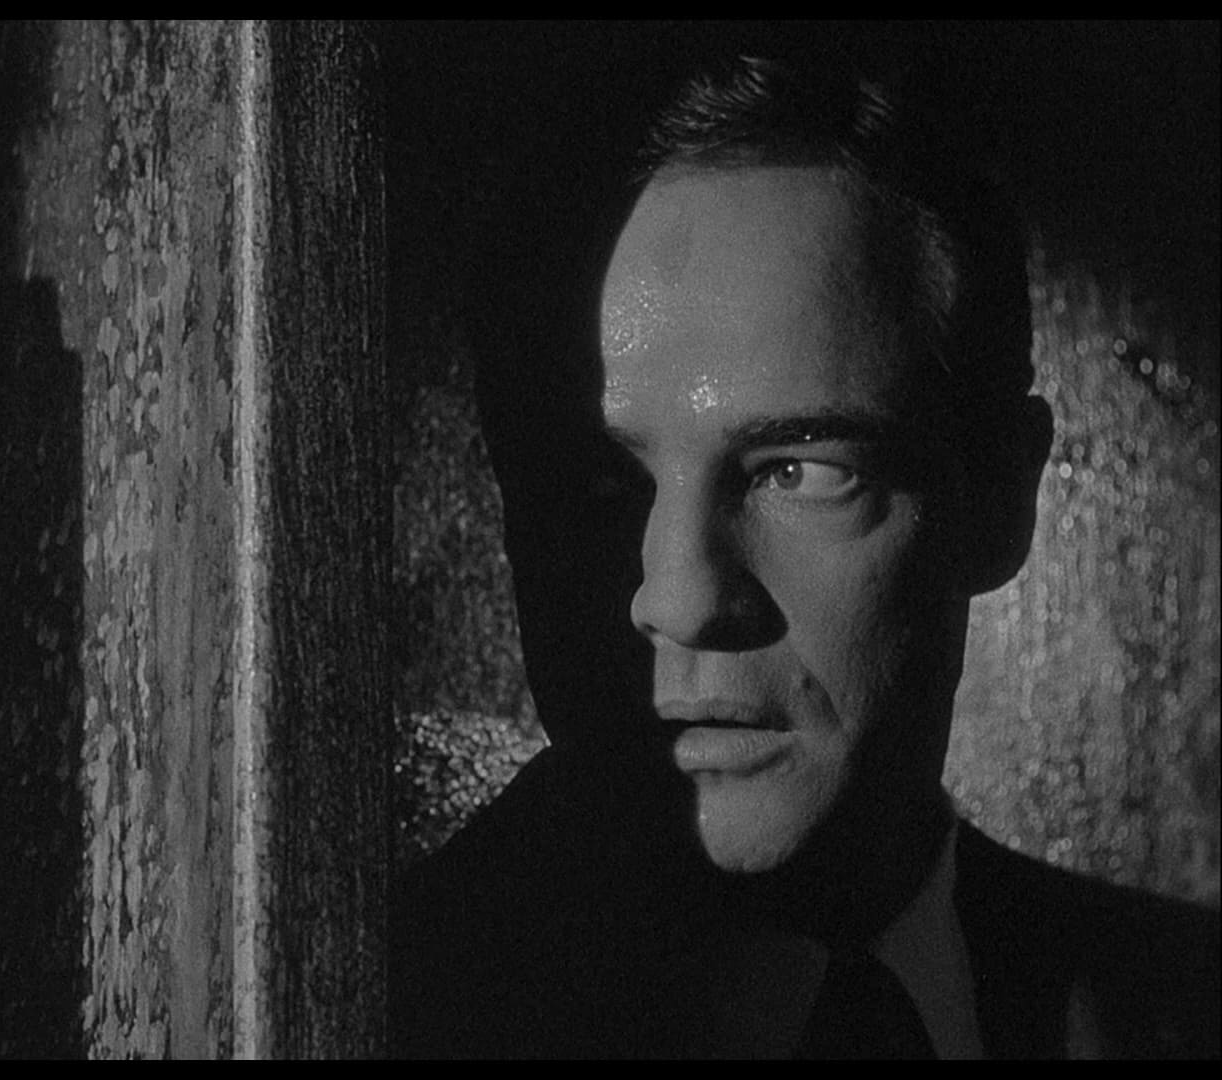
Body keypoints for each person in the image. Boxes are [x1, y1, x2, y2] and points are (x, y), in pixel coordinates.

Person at [390, 55, 1219, 1059]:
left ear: (1000, 497)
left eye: (800, 471)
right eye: (599, 484)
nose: (685, 598)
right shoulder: (342, 1015)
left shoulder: (1180, 1001)